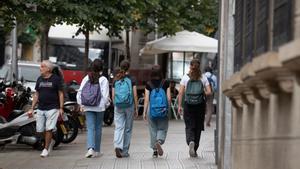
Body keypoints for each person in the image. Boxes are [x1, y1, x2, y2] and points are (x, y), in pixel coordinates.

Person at [27, 60, 64, 157]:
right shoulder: (39, 79)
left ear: (48, 69)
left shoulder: (56, 79)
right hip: (41, 108)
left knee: (49, 129)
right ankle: (50, 139)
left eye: (42, 66)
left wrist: (61, 107)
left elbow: (60, 93)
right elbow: (36, 94)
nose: (40, 68)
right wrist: (32, 107)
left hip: (53, 108)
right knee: (39, 130)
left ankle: (45, 149)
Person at [177, 59, 211, 157]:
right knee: (198, 127)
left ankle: (190, 141)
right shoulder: (203, 77)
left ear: (190, 66)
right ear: (199, 67)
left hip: (188, 105)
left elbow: (180, 92)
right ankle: (195, 148)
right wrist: (202, 92)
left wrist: (179, 106)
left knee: (189, 125)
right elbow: (209, 92)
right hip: (200, 105)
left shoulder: (185, 77)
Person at [76, 59, 110, 158]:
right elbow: (105, 95)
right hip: (99, 107)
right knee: (98, 128)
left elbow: (80, 92)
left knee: (90, 128)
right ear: (101, 68)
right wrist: (106, 104)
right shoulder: (103, 79)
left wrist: (81, 104)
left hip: (88, 106)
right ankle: (97, 151)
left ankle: (90, 149)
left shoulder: (86, 78)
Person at [143, 65, 171, 158]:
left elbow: (146, 100)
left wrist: (144, 112)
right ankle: (159, 141)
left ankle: (155, 151)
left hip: (152, 110)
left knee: (152, 130)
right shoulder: (166, 82)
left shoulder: (148, 84)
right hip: (163, 109)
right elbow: (169, 98)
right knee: (162, 128)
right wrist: (168, 109)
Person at [112, 60, 138, 158]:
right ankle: (125, 151)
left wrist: (116, 104)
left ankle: (117, 146)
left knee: (118, 127)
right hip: (129, 105)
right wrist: (136, 108)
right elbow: (135, 94)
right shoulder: (132, 79)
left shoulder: (116, 79)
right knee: (128, 129)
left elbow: (113, 95)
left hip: (118, 106)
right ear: (129, 68)